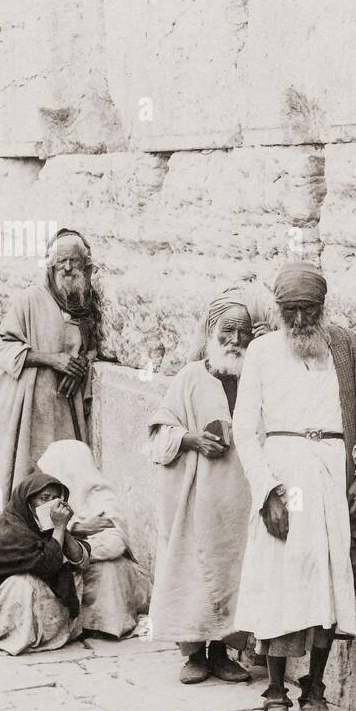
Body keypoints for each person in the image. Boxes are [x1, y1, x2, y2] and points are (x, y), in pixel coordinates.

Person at [232, 262, 356, 711]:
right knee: (283, 580)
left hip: (332, 472)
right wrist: (266, 490)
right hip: (284, 475)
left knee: (327, 581)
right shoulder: (261, 352)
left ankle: (316, 692)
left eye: (310, 309)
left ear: (324, 309)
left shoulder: (342, 346)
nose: (301, 319)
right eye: (291, 310)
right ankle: (275, 696)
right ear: (278, 311)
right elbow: (244, 428)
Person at [147, 287, 275, 683]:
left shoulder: (256, 377)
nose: (235, 340)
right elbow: (158, 433)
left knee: (231, 570)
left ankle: (222, 652)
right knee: (194, 569)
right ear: (210, 331)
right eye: (227, 331)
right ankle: (194, 654)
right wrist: (191, 440)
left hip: (239, 498)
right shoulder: (189, 376)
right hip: (197, 496)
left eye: (243, 332)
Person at [0, 228, 100, 511]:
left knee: (62, 473)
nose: (67, 267)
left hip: (64, 408)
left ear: (84, 265)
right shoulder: (30, 300)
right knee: (27, 472)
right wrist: (53, 360)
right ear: (50, 266)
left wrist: (80, 367)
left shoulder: (85, 306)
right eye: (60, 261)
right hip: (30, 406)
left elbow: (89, 350)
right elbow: (2, 346)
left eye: (74, 261)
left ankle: (61, 538)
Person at [0, 470, 89, 655]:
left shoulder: (42, 526)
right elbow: (47, 564)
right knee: (23, 584)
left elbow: (81, 561)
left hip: (21, 589)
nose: (51, 504)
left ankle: (43, 634)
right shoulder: (5, 531)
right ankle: (11, 636)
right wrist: (58, 528)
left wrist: (62, 529)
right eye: (44, 498)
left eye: (56, 499)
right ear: (27, 501)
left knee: (71, 574)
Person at [38, 439, 148, 640]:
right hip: (66, 563)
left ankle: (100, 625)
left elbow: (114, 544)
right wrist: (75, 528)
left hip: (95, 566)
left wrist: (74, 549)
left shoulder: (102, 498)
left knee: (109, 570)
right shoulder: (52, 497)